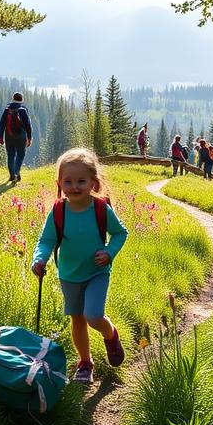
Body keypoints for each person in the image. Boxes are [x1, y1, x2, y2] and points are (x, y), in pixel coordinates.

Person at [31, 148, 128, 384]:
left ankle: (110, 334)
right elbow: (46, 241)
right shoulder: (58, 212)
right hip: (69, 275)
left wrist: (109, 252)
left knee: (93, 316)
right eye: (68, 181)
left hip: (97, 273)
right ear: (59, 182)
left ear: (93, 183)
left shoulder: (100, 209)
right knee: (77, 319)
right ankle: (86, 362)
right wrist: (39, 259)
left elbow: (119, 234)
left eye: (81, 181)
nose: (74, 187)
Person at [0, 92, 32, 183]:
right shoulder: (23, 109)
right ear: (22, 99)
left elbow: (2, 124)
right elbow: (28, 125)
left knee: (11, 155)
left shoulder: (7, 108)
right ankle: (17, 172)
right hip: (21, 136)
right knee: (21, 154)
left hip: (9, 136)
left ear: (13, 98)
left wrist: (0, 138)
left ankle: (12, 175)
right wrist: (29, 138)